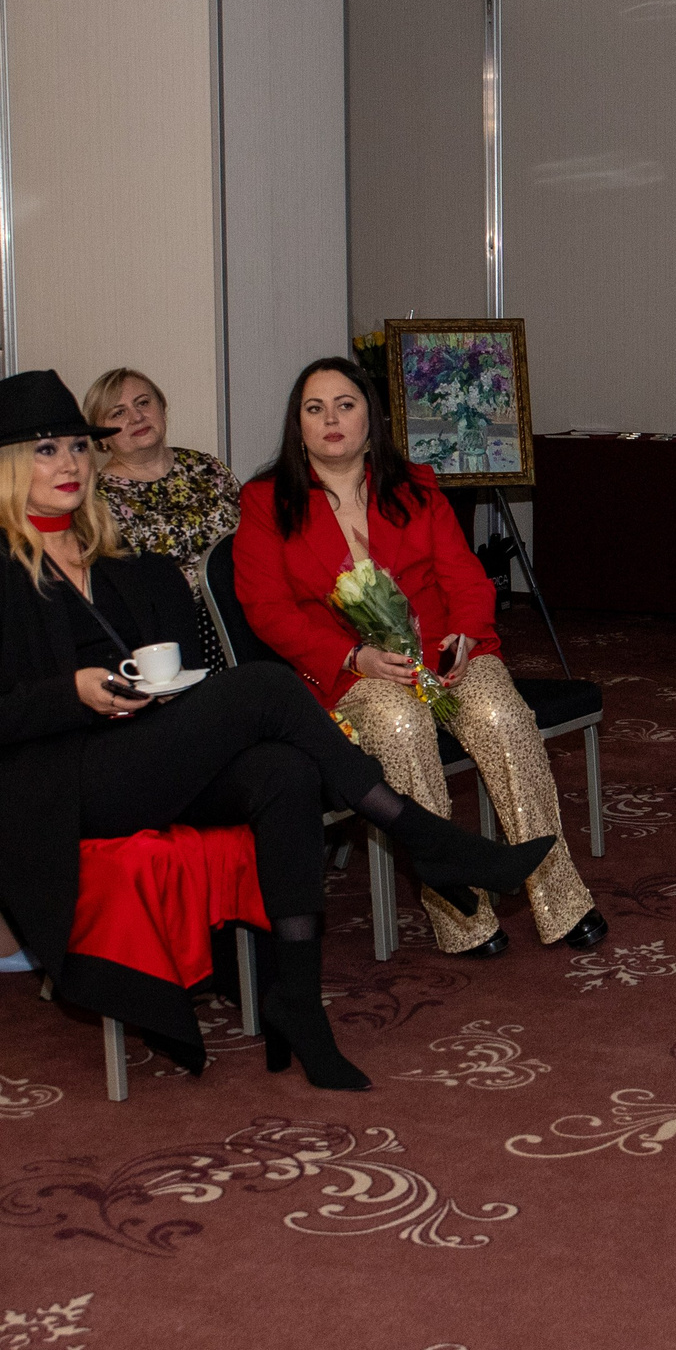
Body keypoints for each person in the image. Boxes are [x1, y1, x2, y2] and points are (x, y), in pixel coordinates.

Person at [0, 371, 555, 1090]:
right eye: (45, 450)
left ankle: (298, 1002)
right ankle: (429, 841)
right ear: (3, 468)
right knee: (269, 685)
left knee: (285, 771)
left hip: (128, 762)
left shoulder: (115, 563)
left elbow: (158, 681)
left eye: (77, 450)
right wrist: (73, 694)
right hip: (53, 786)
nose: (68, 464)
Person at [234, 357, 605, 961]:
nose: (332, 419)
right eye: (315, 408)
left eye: (346, 405)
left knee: (502, 720)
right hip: (349, 672)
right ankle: (461, 915)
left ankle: (559, 894)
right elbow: (267, 611)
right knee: (403, 729)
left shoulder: (414, 485)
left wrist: (464, 634)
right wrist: (353, 655)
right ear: (296, 424)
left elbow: (466, 578)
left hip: (442, 656)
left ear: (371, 418)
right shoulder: (266, 501)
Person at [85, 367, 239, 666]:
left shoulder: (206, 466)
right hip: (171, 642)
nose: (136, 417)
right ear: (101, 439)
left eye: (143, 403)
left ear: (162, 408)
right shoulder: (96, 501)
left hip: (243, 616)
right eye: (118, 413)